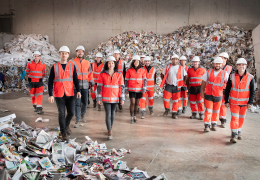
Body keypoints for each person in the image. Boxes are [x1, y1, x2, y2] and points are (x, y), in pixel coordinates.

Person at [48, 46, 81, 141]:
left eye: (66, 53)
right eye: (62, 53)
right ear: (59, 54)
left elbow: (75, 79)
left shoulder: (71, 66)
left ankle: (66, 125)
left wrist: (78, 90)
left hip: (70, 93)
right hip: (59, 94)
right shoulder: (54, 67)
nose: (64, 55)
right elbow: (50, 81)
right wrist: (50, 95)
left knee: (71, 112)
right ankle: (63, 132)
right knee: (61, 113)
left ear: (68, 55)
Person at [225, 58, 255, 143]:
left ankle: (238, 131)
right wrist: (226, 101)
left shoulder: (250, 77)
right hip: (234, 102)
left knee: (241, 118)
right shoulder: (231, 77)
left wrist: (250, 102)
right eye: (239, 65)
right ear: (237, 66)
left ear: (246, 66)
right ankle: (234, 135)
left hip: (245, 103)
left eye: (243, 65)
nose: (241, 66)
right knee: (235, 118)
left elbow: (252, 91)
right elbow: (227, 90)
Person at [97, 56, 125, 139]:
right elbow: (99, 87)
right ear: (107, 64)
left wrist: (122, 98)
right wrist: (98, 98)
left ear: (114, 64)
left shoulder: (119, 74)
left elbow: (121, 87)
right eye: (109, 63)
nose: (111, 64)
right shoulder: (102, 74)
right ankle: (109, 131)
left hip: (115, 98)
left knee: (113, 114)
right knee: (108, 114)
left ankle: (110, 127)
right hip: (106, 98)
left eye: (112, 63)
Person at [201, 57, 228, 132]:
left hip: (218, 95)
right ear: (214, 64)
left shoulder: (225, 73)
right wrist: (202, 91)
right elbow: (203, 82)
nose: (218, 65)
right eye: (216, 63)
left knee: (216, 110)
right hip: (208, 94)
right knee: (208, 110)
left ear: (221, 64)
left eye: (219, 63)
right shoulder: (208, 72)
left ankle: (214, 124)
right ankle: (207, 125)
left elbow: (228, 84)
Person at [70, 46, 94, 128]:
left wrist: (92, 84)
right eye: (78, 51)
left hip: (86, 86)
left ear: (83, 53)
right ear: (76, 52)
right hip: (76, 87)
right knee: (77, 103)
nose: (80, 53)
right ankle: (78, 120)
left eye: (82, 51)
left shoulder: (87, 63)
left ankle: (83, 114)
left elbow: (90, 74)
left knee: (85, 102)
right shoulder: (72, 62)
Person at [160, 54, 187, 119]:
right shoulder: (167, 67)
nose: (175, 60)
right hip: (169, 85)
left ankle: (174, 113)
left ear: (178, 60)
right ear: (171, 60)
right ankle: (167, 110)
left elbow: (186, 76)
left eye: (176, 59)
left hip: (177, 86)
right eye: (173, 59)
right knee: (166, 98)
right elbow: (162, 74)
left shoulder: (181, 68)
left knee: (176, 100)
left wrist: (182, 83)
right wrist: (165, 81)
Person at [125, 55, 147, 123]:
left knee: (137, 103)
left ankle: (134, 116)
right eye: (135, 61)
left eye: (138, 61)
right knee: (132, 102)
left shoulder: (142, 70)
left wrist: (144, 88)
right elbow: (126, 80)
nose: (136, 63)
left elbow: (144, 80)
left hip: (139, 89)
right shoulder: (129, 70)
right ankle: (131, 117)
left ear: (139, 62)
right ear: (133, 62)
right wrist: (126, 89)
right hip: (131, 89)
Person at [218, 52, 233, 128]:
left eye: (221, 57)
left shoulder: (230, 69)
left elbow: (232, 80)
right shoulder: (216, 67)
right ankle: (213, 120)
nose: (220, 59)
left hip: (225, 90)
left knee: (223, 105)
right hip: (216, 90)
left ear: (226, 59)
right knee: (216, 105)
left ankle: (222, 119)